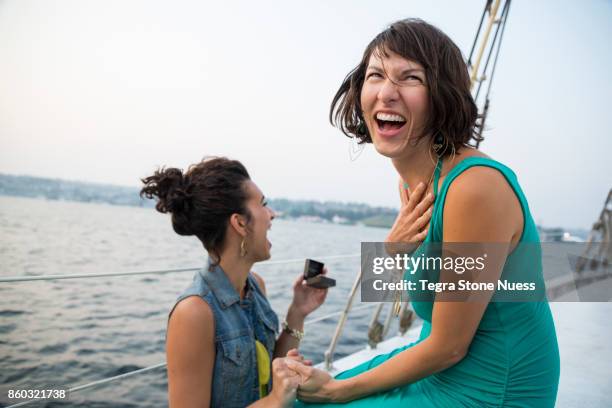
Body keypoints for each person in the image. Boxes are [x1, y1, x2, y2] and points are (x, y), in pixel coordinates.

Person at [287, 18, 560, 407]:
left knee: (310, 401)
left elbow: (449, 346)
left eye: (410, 78)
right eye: (376, 75)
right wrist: (393, 253)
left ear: (442, 96)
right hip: (443, 366)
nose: (386, 93)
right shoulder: (417, 184)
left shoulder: (473, 188)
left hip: (493, 386)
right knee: (294, 397)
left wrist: (336, 390)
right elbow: (423, 291)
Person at [140, 157, 328, 407]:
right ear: (240, 223)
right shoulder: (193, 313)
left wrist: (298, 312)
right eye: (264, 204)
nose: (272, 215)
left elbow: (268, 371)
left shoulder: (256, 286)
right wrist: (274, 400)